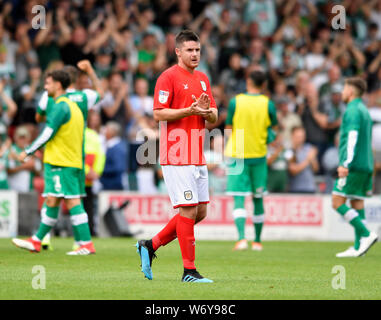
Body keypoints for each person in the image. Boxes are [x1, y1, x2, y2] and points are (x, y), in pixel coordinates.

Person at [136, 30, 218, 283]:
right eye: (190, 50)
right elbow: (159, 114)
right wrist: (189, 110)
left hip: (197, 152)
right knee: (188, 210)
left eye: (197, 50)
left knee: (199, 213)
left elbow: (214, 117)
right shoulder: (167, 77)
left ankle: (150, 245)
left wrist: (205, 112)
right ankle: (189, 271)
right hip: (176, 153)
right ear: (178, 52)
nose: (195, 54)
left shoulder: (203, 79)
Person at [11, 70, 96, 255]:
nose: (45, 86)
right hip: (68, 160)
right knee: (52, 200)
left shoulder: (60, 106)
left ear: (58, 85)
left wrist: (27, 151)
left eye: (48, 83)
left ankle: (86, 244)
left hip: (61, 161)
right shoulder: (72, 106)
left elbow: (48, 133)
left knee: (72, 201)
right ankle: (37, 240)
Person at [224, 70, 278, 251]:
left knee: (239, 198)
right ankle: (257, 241)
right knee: (258, 198)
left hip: (237, 154)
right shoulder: (268, 104)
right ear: (263, 85)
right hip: (259, 155)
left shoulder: (235, 102)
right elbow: (273, 130)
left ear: (248, 81)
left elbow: (229, 127)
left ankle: (241, 239)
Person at [332, 77, 378, 257]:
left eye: (344, 89)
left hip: (354, 164)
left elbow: (351, 137)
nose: (342, 92)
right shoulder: (364, 110)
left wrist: (345, 163)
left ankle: (366, 235)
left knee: (337, 202)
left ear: (350, 91)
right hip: (366, 163)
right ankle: (360, 247)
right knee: (356, 201)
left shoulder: (352, 110)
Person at [288, 126, 319, 193]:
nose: (301, 139)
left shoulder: (309, 148)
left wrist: (313, 160)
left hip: (310, 188)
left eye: (302, 136)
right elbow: (293, 171)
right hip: (296, 189)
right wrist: (308, 160)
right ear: (292, 136)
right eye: (298, 137)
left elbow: (316, 169)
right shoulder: (289, 151)